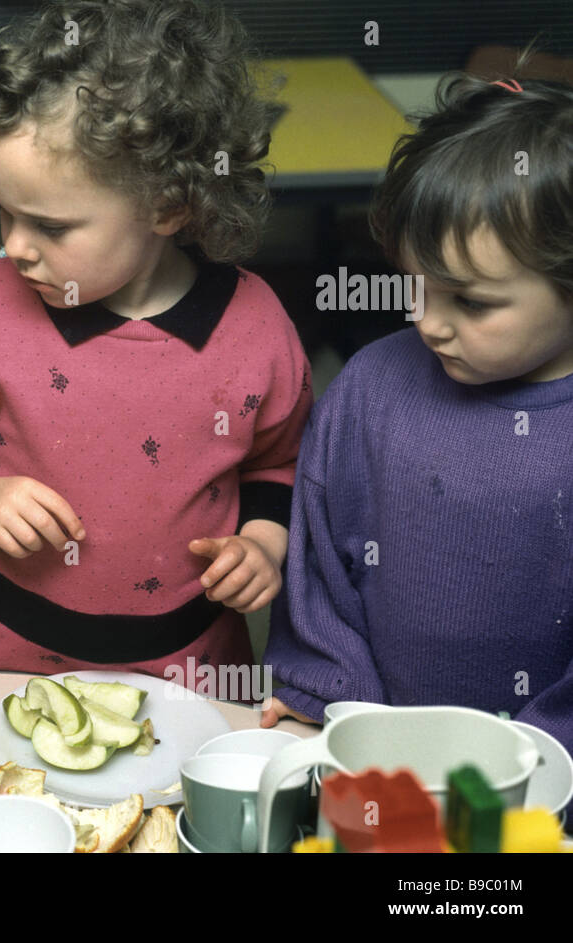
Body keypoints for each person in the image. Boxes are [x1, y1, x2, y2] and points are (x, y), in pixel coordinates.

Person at [0, 0, 312, 683]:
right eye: (3, 211)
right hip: (2, 653)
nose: (14, 247)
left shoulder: (257, 330)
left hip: (192, 664)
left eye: (50, 227)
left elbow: (277, 462)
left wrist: (264, 541)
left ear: (168, 205)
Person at [261, 73, 573, 754]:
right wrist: (343, 711)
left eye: (471, 302)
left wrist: (531, 764)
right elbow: (319, 569)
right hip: (373, 758)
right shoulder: (371, 386)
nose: (424, 322)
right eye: (415, 285)